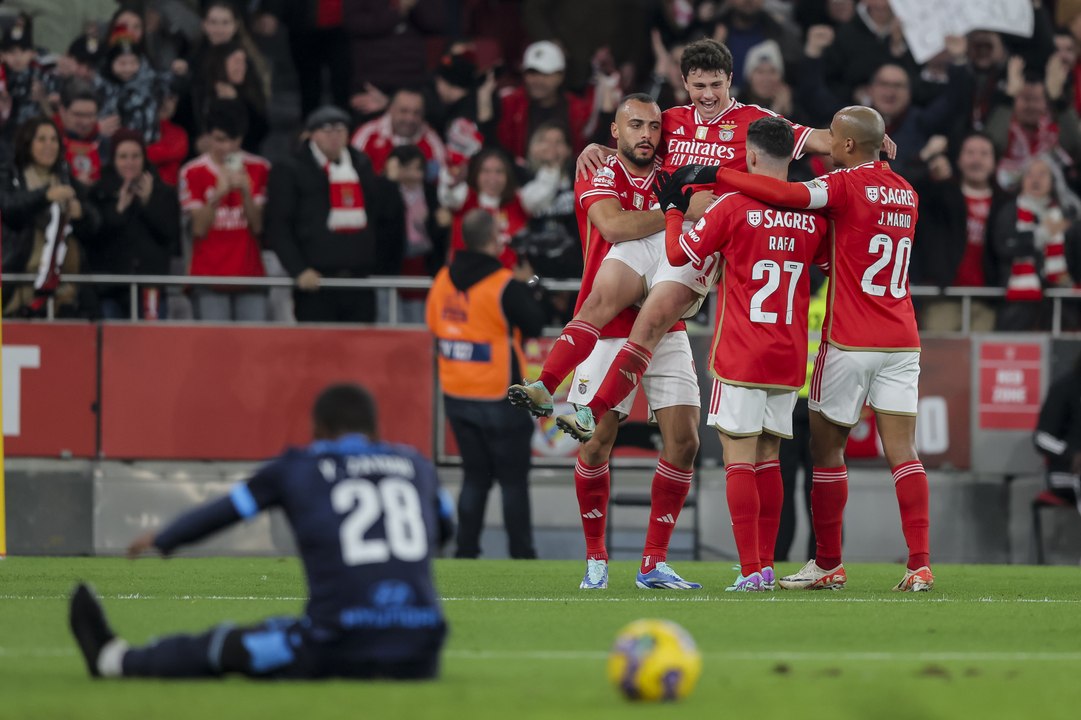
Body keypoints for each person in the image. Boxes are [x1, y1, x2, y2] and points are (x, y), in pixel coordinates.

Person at [522, 38, 862, 443]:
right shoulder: (669, 119)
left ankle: (591, 412)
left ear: (730, 81)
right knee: (598, 300)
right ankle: (543, 386)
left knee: (648, 325)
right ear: (684, 82)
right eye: (698, 86)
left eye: (716, 85)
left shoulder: (755, 122)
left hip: (704, 237)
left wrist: (871, 147)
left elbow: (826, 139)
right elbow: (633, 138)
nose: (707, 95)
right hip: (660, 222)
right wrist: (596, 147)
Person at [68, 383, 453, 680]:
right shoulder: (414, 464)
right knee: (285, 630)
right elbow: (446, 527)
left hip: (336, 643)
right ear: (374, 429)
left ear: (317, 429)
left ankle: (114, 660)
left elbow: (231, 509)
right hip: (421, 651)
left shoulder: (297, 467)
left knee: (227, 645)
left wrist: (166, 537)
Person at [705, 105, 931, 592]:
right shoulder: (908, 193)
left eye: (832, 139)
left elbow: (783, 193)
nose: (825, 146)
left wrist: (718, 174)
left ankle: (828, 562)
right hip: (903, 337)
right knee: (904, 453)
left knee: (827, 452)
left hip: (850, 339)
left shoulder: (844, 186)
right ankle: (919, 563)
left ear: (848, 146)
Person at [513, 94, 705, 591]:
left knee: (684, 442)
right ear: (615, 132)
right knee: (597, 443)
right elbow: (613, 225)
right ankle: (596, 558)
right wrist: (674, 210)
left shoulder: (674, 165)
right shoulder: (598, 170)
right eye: (635, 125)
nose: (647, 134)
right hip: (606, 329)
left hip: (664, 324)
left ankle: (653, 563)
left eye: (654, 127)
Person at [663, 117, 828, 591]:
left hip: (742, 351)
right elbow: (824, 263)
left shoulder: (732, 205)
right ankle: (767, 566)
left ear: (750, 156)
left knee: (738, 457)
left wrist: (675, 209)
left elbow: (679, 256)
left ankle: (753, 570)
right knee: (770, 457)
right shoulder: (810, 214)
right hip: (790, 355)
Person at [425, 209, 546, 559]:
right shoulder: (505, 284)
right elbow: (536, 322)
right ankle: (522, 555)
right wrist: (533, 281)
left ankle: (466, 552)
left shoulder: (442, 279)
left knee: (474, 478)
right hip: (500, 397)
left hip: (457, 395)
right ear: (494, 239)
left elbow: (434, 324)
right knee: (512, 482)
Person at [266, 105, 405, 324]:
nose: (334, 136)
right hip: (316, 281)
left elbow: (380, 217)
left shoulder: (361, 165)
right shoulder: (291, 169)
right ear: (311, 134)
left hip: (358, 279)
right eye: (326, 130)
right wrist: (298, 269)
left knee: (360, 349)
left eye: (340, 130)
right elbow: (279, 225)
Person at [179, 99, 270, 321]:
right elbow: (198, 230)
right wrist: (217, 196)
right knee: (214, 351)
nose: (227, 147)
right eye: (220, 140)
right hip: (208, 278)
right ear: (208, 136)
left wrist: (246, 193)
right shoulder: (192, 172)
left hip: (249, 275)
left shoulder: (260, 168)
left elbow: (258, 227)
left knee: (252, 348)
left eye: (233, 140)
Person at [1, 116, 99, 318]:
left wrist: (82, 213)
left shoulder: (65, 177)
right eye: (42, 139)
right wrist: (45, 196)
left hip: (64, 287)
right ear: (27, 143)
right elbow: (10, 210)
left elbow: (95, 224)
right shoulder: (11, 176)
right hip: (21, 280)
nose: (49, 145)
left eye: (54, 139)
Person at [86, 128, 180, 320]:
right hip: (109, 289)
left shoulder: (163, 192)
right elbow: (93, 236)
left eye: (135, 156)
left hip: (150, 288)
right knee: (111, 347)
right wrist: (118, 210)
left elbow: (170, 235)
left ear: (144, 158)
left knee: (150, 347)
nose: (129, 162)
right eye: (123, 156)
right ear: (113, 159)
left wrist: (148, 204)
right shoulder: (99, 193)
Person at [350, 88, 447, 177]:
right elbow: (350, 172)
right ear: (391, 109)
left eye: (416, 113)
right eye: (404, 111)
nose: (410, 119)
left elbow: (442, 179)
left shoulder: (432, 141)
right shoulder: (367, 134)